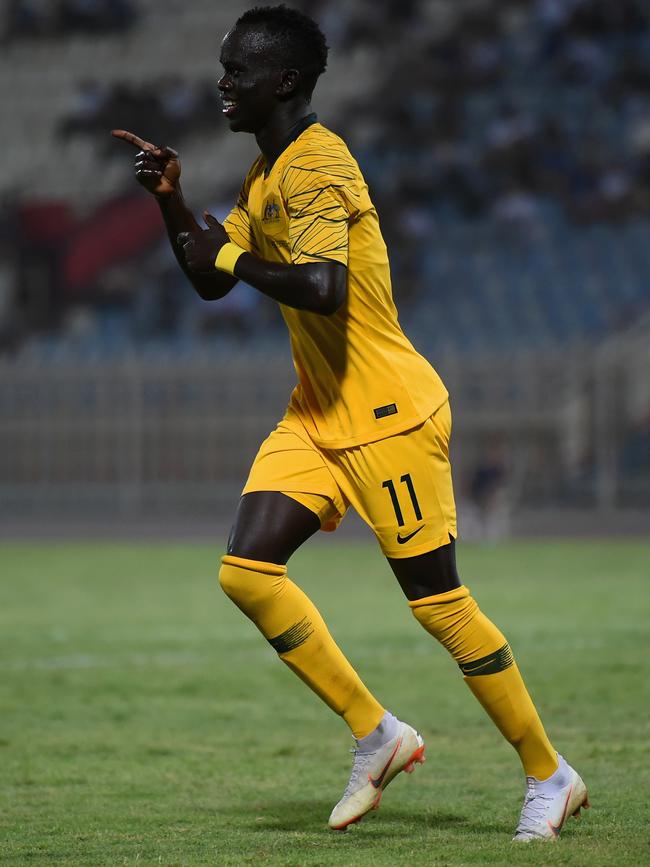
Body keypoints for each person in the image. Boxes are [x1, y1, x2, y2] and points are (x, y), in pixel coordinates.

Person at [113, 4, 588, 839]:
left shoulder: (320, 166)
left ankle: (551, 774)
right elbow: (211, 280)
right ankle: (378, 734)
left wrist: (224, 250)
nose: (223, 84)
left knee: (439, 606)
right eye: (224, 69)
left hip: (388, 414)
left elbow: (323, 287)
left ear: (285, 81)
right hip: (317, 414)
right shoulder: (265, 177)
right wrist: (172, 202)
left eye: (238, 71)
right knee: (245, 572)